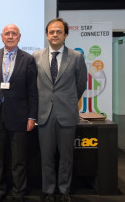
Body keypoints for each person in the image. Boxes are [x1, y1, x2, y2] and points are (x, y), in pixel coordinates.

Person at [33, 18, 87, 202]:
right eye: (51, 32)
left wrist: (68, 100)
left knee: (66, 156)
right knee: (46, 156)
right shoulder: (36, 56)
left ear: (65, 34)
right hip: (44, 113)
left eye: (58, 31)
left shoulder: (76, 57)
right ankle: (48, 191)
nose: (54, 35)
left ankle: (64, 191)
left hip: (67, 113)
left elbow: (81, 84)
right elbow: (34, 85)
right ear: (47, 35)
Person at [0, 24, 38, 202]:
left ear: (19, 37)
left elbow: (32, 90)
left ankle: (18, 192)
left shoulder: (28, 59)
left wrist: (32, 116)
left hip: (19, 116)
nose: (10, 36)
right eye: (7, 33)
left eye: (13, 34)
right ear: (1, 37)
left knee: (18, 159)